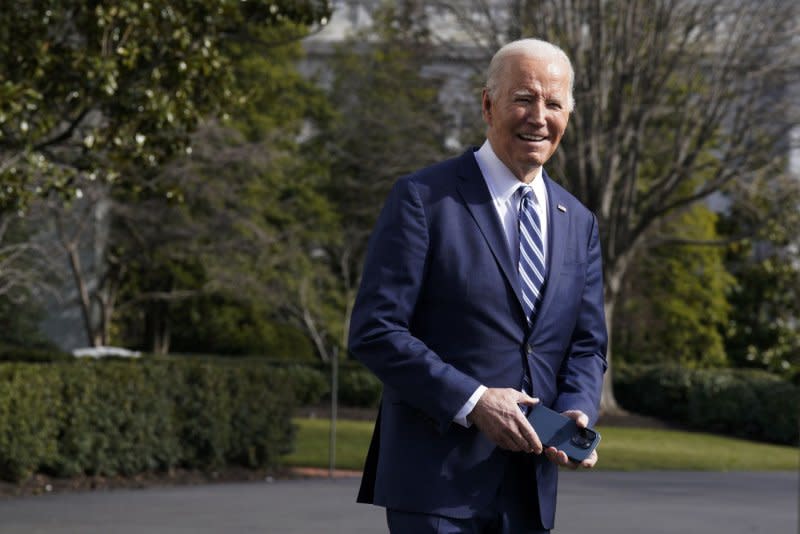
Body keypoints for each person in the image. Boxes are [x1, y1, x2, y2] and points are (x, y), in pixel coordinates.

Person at [348, 38, 608, 533]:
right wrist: (474, 401)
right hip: (434, 489)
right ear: (488, 105)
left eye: (554, 103)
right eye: (524, 98)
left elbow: (587, 345)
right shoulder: (423, 199)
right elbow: (375, 330)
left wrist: (575, 411)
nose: (539, 116)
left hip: (529, 493)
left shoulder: (578, 221)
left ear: (568, 116)